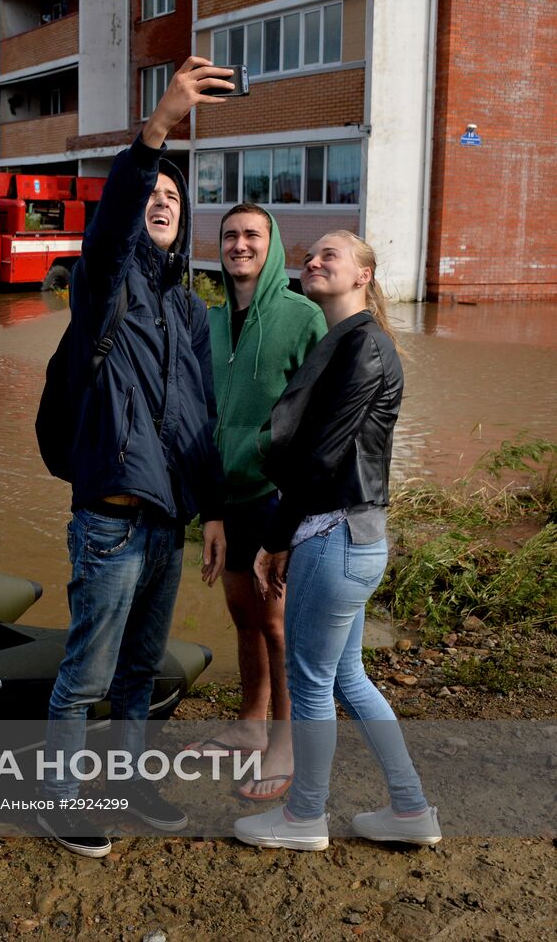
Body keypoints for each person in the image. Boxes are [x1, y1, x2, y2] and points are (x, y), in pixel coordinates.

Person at [38, 56, 230, 857]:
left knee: (140, 676)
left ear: (185, 221)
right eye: (154, 194)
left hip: (166, 527)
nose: (160, 203)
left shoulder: (187, 306)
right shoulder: (103, 284)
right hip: (112, 523)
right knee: (85, 675)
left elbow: (196, 417)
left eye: (173, 199)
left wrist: (213, 507)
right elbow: (112, 224)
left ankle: (129, 785)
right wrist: (156, 133)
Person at [233, 231, 441, 851]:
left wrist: (275, 539)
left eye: (332, 255)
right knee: (348, 676)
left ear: (364, 277)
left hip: (335, 533)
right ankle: (410, 809)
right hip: (354, 536)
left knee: (313, 681)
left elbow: (322, 458)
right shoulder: (349, 341)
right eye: (312, 254)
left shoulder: (363, 347)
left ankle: (303, 818)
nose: (314, 260)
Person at [192, 205, 326, 802]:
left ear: (272, 248)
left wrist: (299, 509)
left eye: (252, 235)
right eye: (230, 236)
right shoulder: (212, 322)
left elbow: (324, 422)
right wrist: (211, 510)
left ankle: (284, 741)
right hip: (230, 496)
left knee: (277, 626)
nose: (239, 245)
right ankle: (250, 723)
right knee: (244, 616)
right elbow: (203, 420)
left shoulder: (302, 317)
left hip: (278, 498)